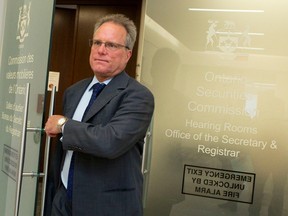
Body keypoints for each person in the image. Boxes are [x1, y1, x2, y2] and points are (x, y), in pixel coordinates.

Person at [44, 14, 154, 216]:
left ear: (128, 54)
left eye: (111, 45)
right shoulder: (74, 91)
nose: (101, 50)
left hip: (106, 206)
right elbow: (70, 146)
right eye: (97, 42)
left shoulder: (138, 96)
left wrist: (63, 124)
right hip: (63, 201)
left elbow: (109, 141)